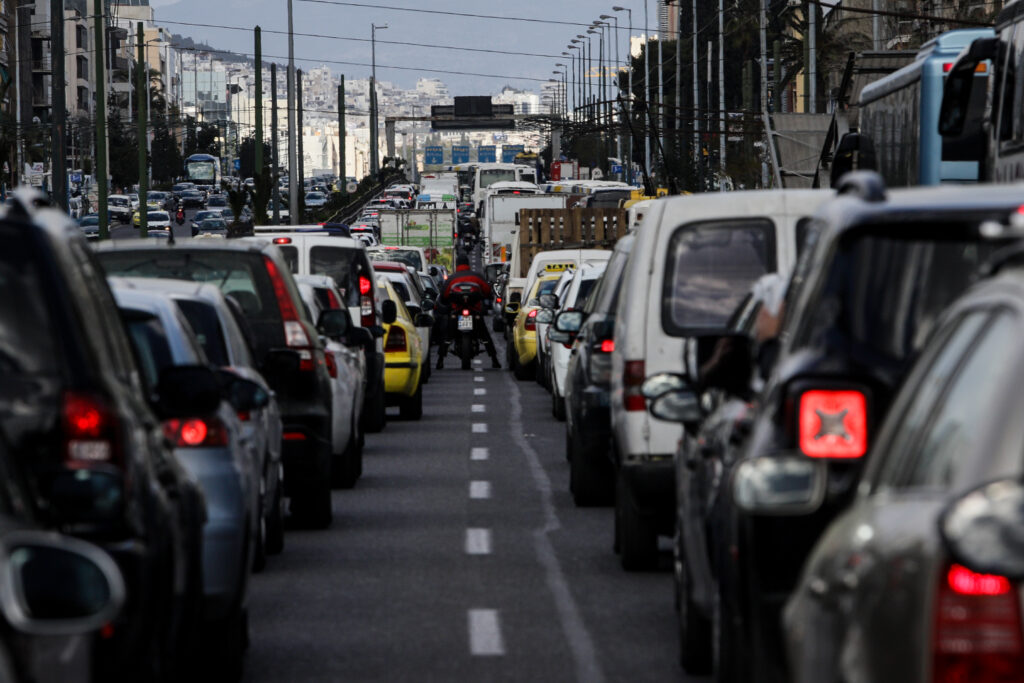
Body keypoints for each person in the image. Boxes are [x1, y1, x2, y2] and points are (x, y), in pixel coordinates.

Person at [436, 254, 501, 369]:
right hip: (474, 311)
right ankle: (494, 360)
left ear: (457, 265)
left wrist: (448, 305)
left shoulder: (452, 278)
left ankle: (440, 360)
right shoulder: (477, 277)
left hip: (456, 311)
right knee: (484, 335)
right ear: (468, 264)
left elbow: (444, 295)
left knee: (447, 336)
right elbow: (487, 291)